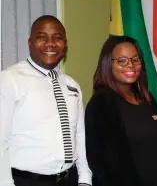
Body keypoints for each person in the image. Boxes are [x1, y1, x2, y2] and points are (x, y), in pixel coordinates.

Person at [0, 15, 92, 186]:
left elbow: (79, 136)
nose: (50, 43)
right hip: (26, 181)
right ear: (30, 43)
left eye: (57, 38)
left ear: (65, 45)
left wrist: (85, 179)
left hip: (69, 180)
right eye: (42, 37)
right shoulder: (9, 79)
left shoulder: (72, 85)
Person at [85, 36, 157, 186]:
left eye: (135, 59)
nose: (130, 65)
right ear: (107, 64)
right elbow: (102, 164)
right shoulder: (101, 103)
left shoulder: (147, 97)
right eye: (122, 61)